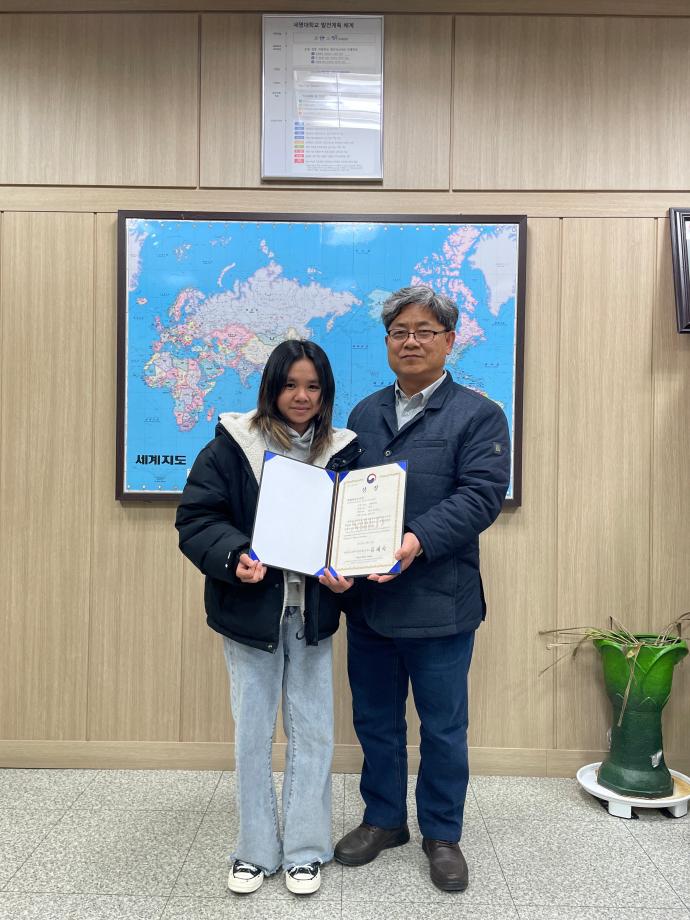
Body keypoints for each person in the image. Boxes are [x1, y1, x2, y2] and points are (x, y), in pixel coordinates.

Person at [334, 286, 510, 892]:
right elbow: (343, 498)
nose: (410, 341)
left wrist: (414, 540)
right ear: (387, 342)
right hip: (370, 603)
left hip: (441, 602)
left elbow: (480, 497)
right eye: (399, 332)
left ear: (449, 340)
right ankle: (384, 820)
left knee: (442, 728)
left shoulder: (479, 415)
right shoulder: (363, 414)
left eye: (424, 331)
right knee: (375, 720)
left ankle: (442, 833)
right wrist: (331, 553)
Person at [175, 340, 359, 896]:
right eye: (290, 385)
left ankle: (305, 850)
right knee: (252, 735)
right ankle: (254, 851)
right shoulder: (232, 446)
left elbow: (357, 527)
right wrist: (235, 556)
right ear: (271, 388)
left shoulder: (346, 451)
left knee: (314, 733)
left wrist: (349, 570)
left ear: (325, 392)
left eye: (313, 386)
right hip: (251, 615)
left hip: (313, 614)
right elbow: (197, 519)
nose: (301, 397)